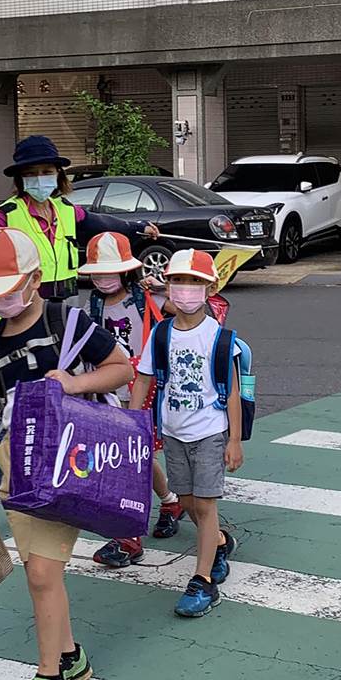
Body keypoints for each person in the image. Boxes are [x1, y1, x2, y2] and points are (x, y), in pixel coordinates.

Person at [0, 227, 132, 680]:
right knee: (41, 573)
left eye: (8, 287)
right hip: (23, 464)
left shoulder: (67, 321)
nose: (0, 300)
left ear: (33, 280)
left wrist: (74, 382)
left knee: (41, 575)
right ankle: (67, 661)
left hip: (77, 458)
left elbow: (121, 368)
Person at [0, 135, 159, 523]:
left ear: (58, 177)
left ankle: (80, 483)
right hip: (8, 320)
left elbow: (103, 222)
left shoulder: (65, 210)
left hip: (54, 316)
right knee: (11, 412)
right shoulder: (7, 216)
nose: (40, 179)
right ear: (21, 180)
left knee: (75, 405)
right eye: (32, 174)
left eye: (47, 172)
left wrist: (140, 227)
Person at [131, 249, 243, 618]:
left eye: (195, 282)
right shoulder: (161, 333)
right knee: (191, 503)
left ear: (209, 287)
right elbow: (145, 377)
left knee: (206, 506)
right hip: (175, 433)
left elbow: (233, 392)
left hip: (211, 433)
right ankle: (221, 544)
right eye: (179, 281)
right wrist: (134, 421)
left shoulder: (219, 338)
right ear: (168, 284)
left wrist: (234, 440)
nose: (186, 290)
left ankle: (203, 580)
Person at [76, 230, 185, 566]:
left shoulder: (142, 297)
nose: (105, 278)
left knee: (130, 458)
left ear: (126, 270)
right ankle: (169, 501)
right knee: (132, 457)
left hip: (140, 388)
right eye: (98, 272)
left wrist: (162, 289)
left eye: (111, 271)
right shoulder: (91, 303)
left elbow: (183, 307)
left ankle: (129, 537)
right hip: (108, 389)